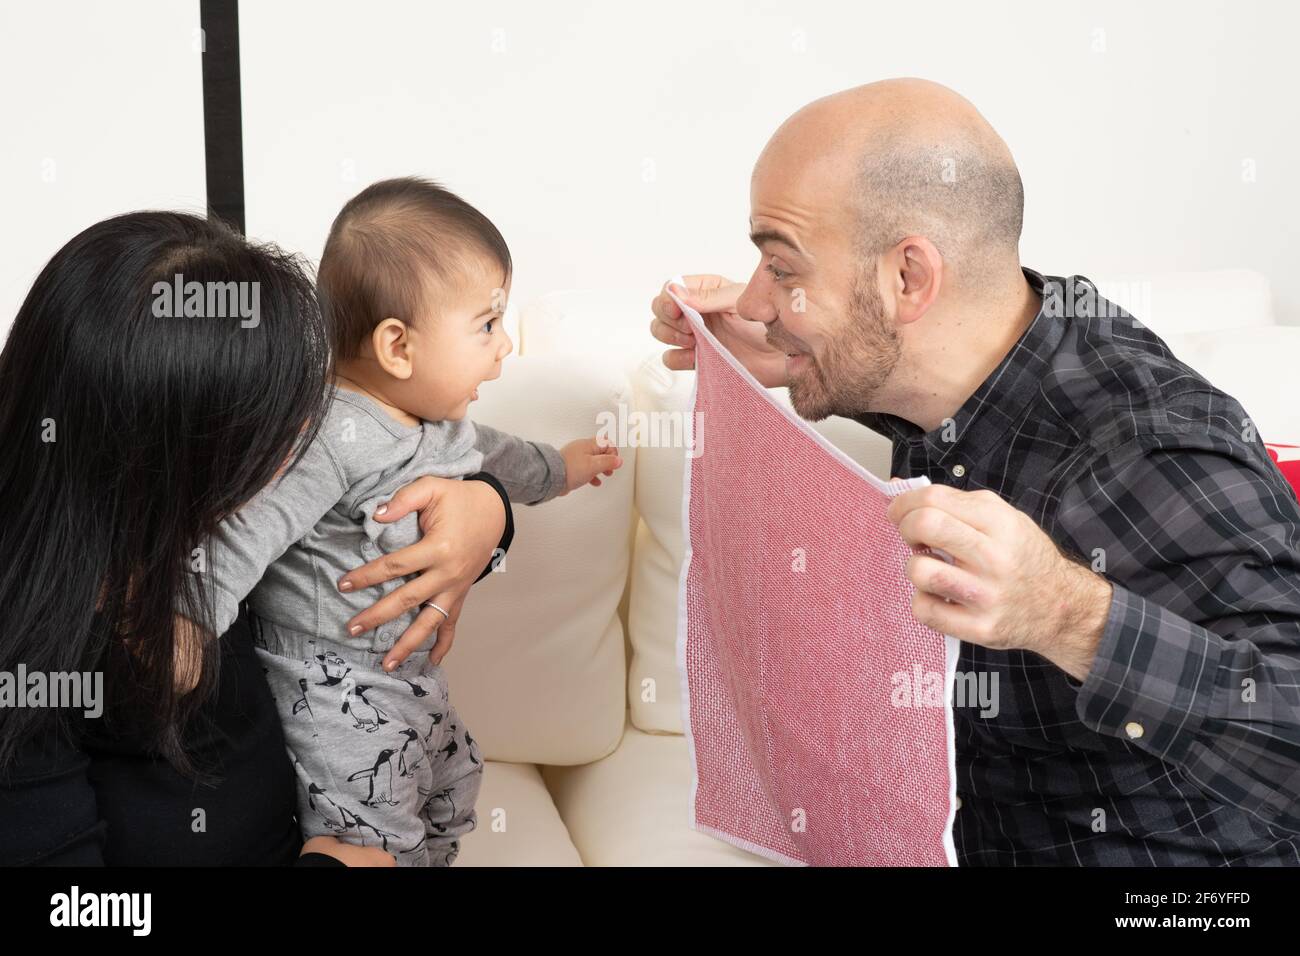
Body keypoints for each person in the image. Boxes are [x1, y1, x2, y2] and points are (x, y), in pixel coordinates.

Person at [650, 78, 1300, 865]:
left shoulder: (1154, 449)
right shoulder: (1004, 340)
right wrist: (795, 350)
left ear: (908, 280)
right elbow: (966, 407)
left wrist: (1069, 615)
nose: (754, 302)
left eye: (783, 270)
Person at [0, 211, 514, 866]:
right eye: (282, 428)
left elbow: (402, 484)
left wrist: (486, 509)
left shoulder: (215, 533)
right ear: (181, 462)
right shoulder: (33, 660)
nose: (306, 441)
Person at [197, 177, 622, 865]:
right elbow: (251, 530)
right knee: (372, 834)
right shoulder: (328, 435)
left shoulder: (441, 419)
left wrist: (565, 468)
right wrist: (189, 620)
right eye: (487, 324)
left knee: (454, 786)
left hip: (413, 675)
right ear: (398, 347)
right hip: (333, 686)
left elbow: (500, 458)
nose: (504, 345)